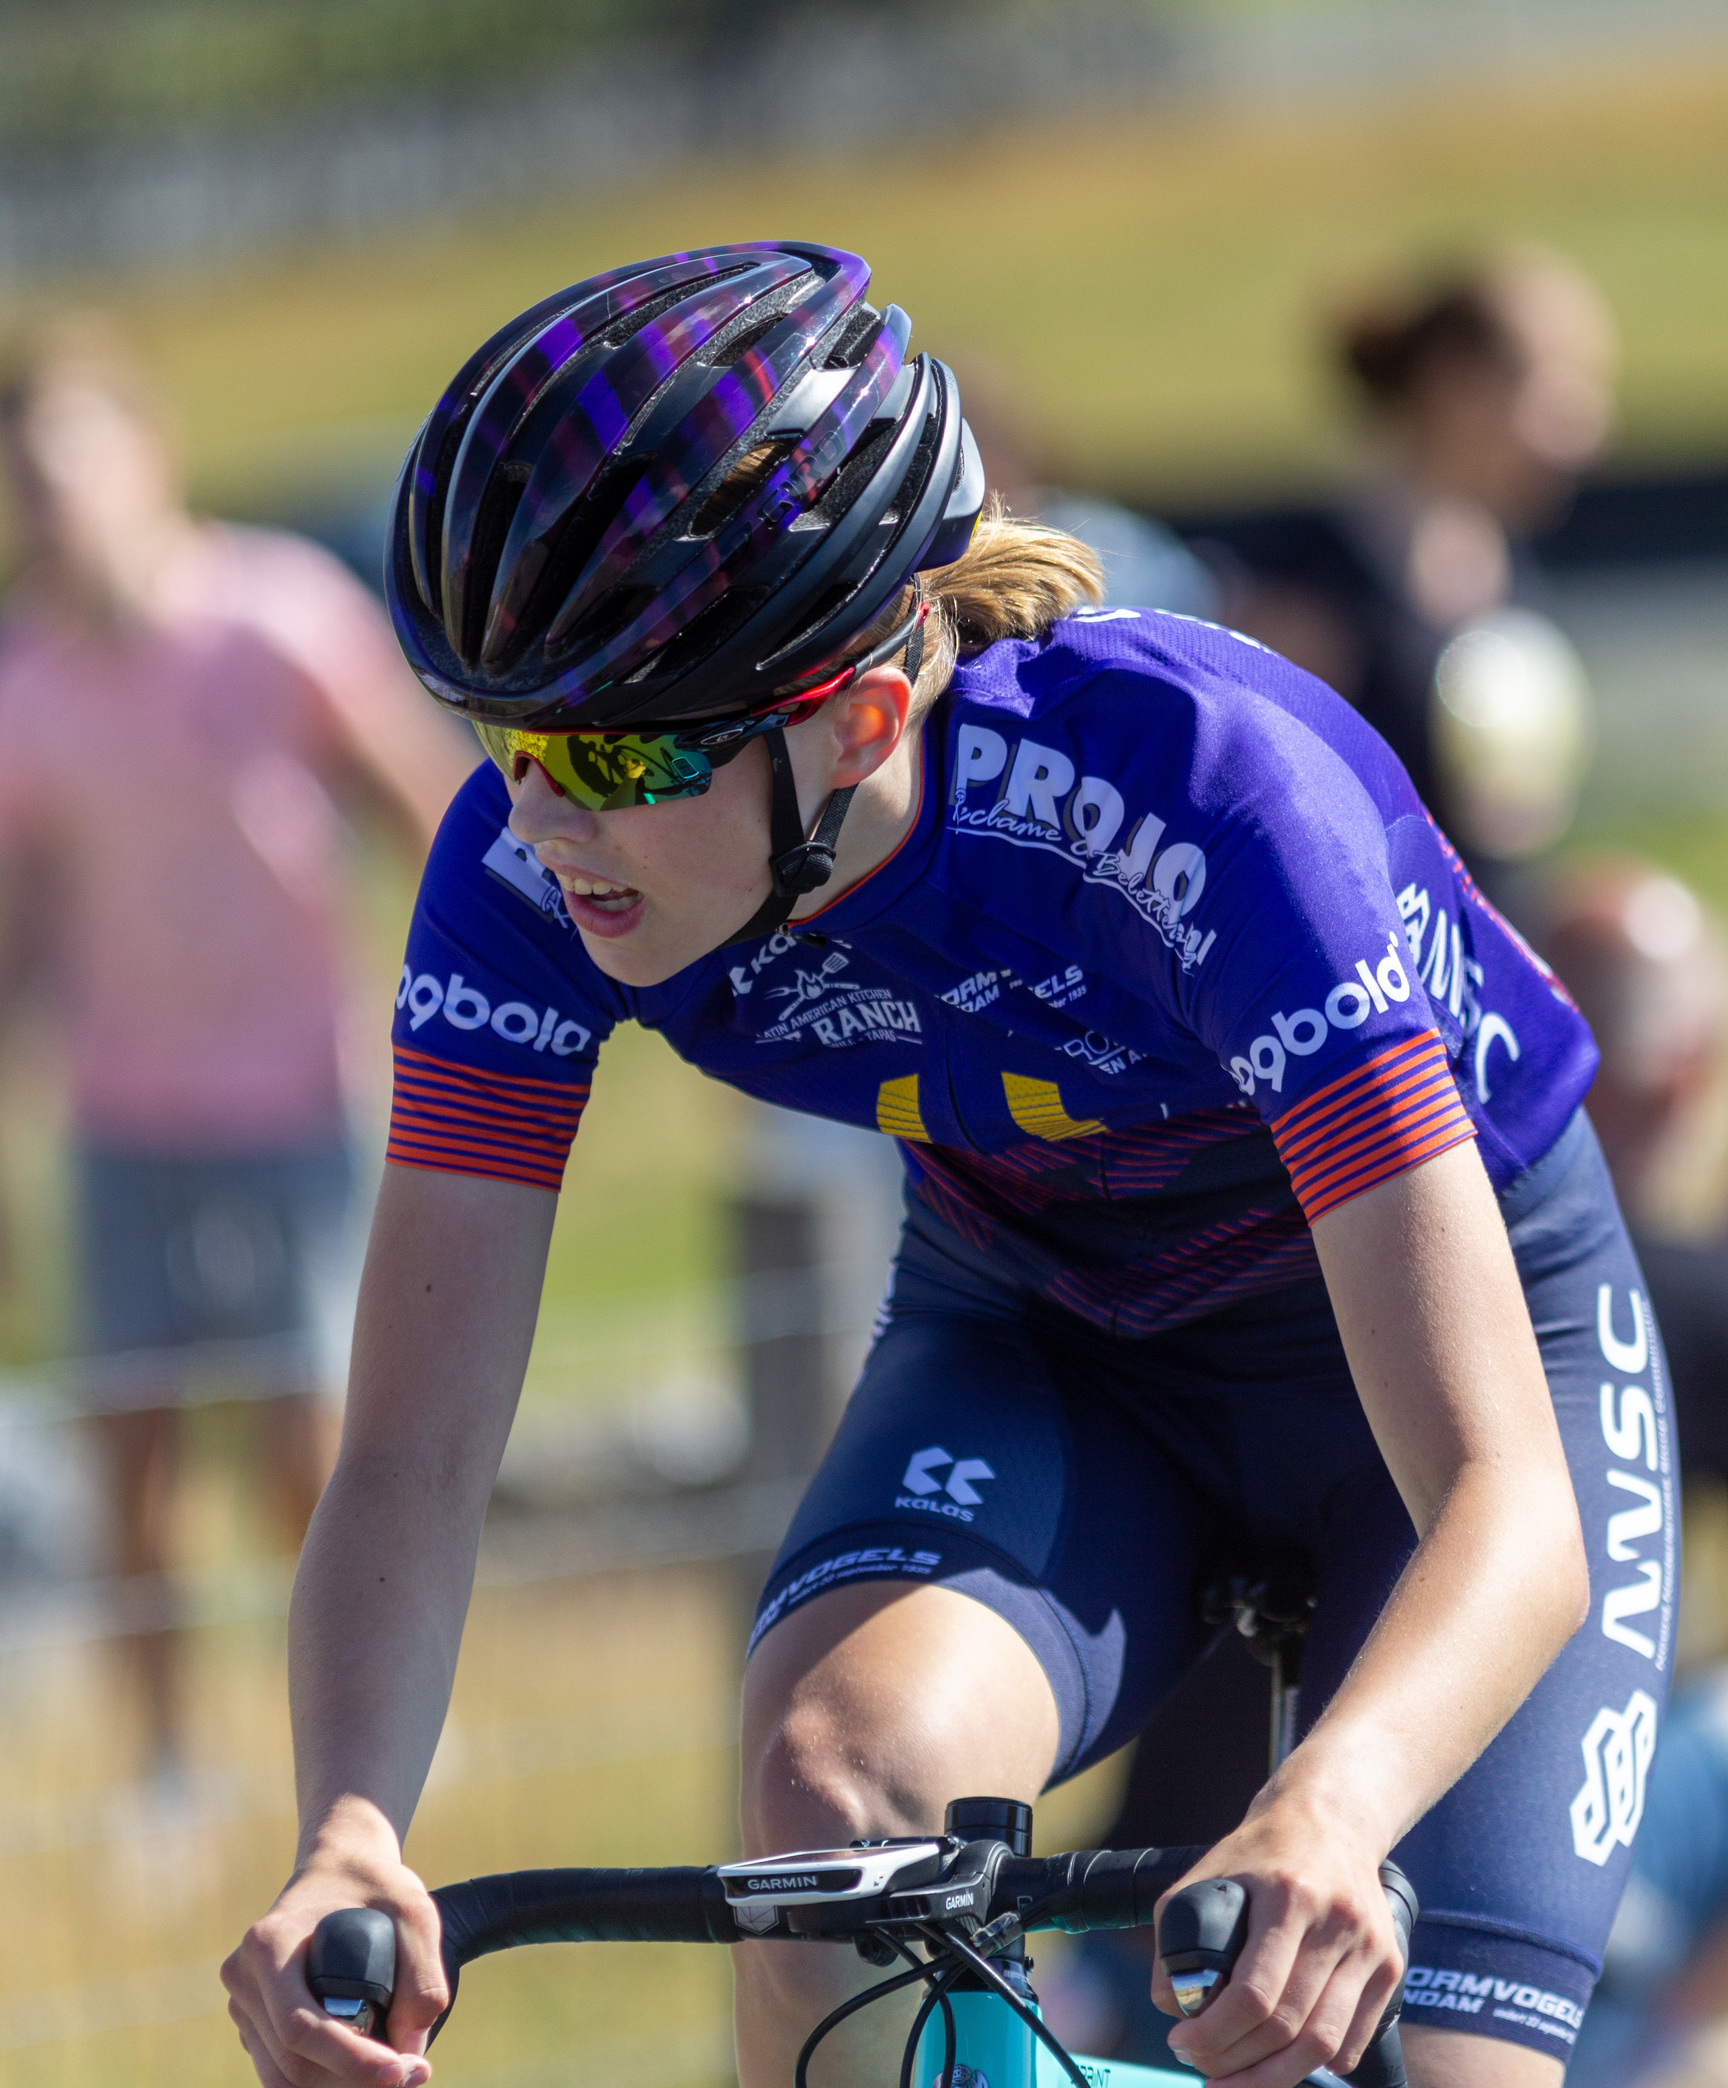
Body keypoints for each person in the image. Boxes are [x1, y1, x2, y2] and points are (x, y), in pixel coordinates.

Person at [223, 241, 1662, 2088]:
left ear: (858, 716)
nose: (538, 817)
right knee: (833, 1801)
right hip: (1056, 1334)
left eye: (609, 746)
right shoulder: (531, 879)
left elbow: (1503, 1498)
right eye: (499, 736)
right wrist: (345, 1828)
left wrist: (1331, 1806)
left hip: (1465, 1369)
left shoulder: (1200, 797)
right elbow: (414, 1449)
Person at [0, 318, 473, 1792]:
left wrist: (482, 1007)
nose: (49, 506)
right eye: (24, 482)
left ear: (145, 459)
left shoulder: (280, 614)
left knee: (307, 1440)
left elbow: (431, 805)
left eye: (66, 470)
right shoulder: (29, 683)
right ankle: (162, 1763)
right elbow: (24, 915)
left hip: (291, 1091)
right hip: (125, 1111)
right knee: (127, 1452)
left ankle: (372, 1723)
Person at [1212, 249, 1615, 895]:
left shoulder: (1507, 566)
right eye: (1562, 390)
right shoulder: (1306, 590)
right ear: (1455, 387)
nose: (1588, 431)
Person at [1536, 859, 1728, 2087]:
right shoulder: (1686, 1296)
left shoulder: (1362, 1254)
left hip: (1196, 1894)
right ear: (1685, 1075)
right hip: (1571, 1876)